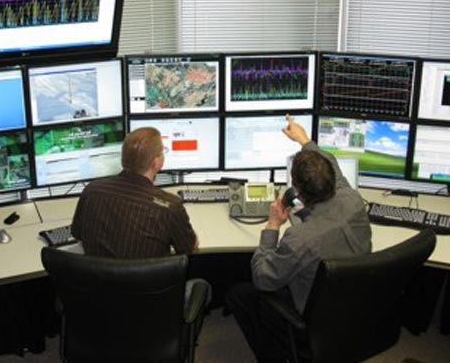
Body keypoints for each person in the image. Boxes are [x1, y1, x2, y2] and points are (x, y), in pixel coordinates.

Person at [225, 114, 372, 363]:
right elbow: (331, 164)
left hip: (315, 317)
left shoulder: (299, 238)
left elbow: (263, 279)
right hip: (355, 303)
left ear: (298, 192)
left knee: (239, 295)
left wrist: (273, 225)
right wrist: (304, 140)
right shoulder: (353, 199)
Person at [71, 126, 198, 258]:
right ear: (156, 162)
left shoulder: (92, 191)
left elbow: (79, 238)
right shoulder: (170, 207)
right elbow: (188, 248)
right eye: (162, 151)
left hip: (98, 271)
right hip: (149, 272)